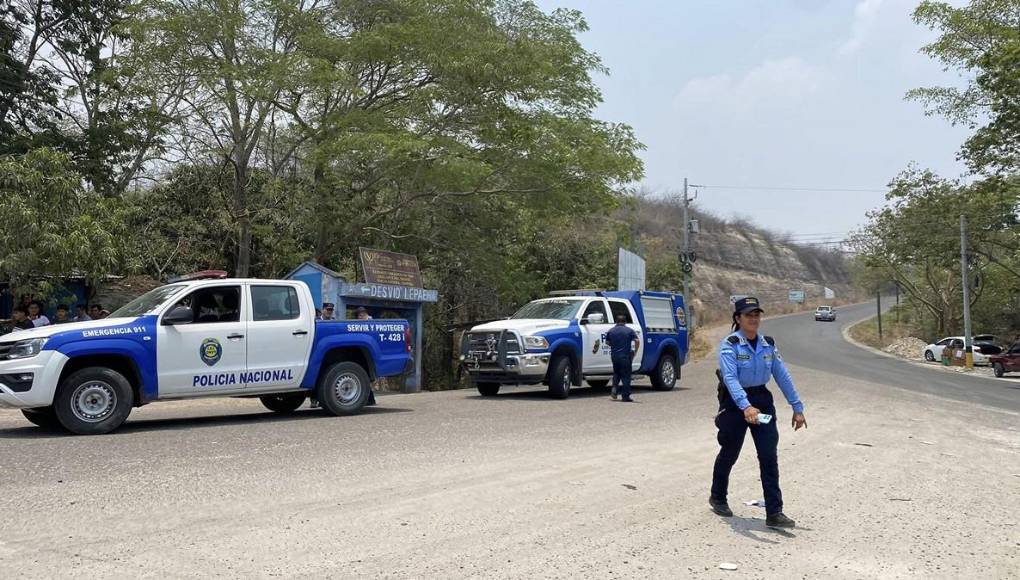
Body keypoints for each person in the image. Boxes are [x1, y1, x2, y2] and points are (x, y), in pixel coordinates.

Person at [710, 296, 807, 529]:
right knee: (730, 451)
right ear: (738, 318)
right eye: (748, 315)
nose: (754, 319)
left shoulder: (768, 344)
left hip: (761, 403)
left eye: (757, 315)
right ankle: (718, 497)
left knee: (768, 455)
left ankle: (774, 512)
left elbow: (782, 375)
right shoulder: (730, 344)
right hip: (735, 405)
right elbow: (730, 378)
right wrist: (745, 406)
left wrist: (797, 407)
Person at [605, 314, 640, 402]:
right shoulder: (629, 331)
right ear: (625, 322)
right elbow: (637, 341)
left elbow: (607, 342)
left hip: (614, 356)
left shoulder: (611, 331)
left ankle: (614, 388)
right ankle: (625, 396)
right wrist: (635, 351)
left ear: (616, 321)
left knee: (616, 373)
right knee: (626, 376)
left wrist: (615, 345)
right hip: (625, 356)